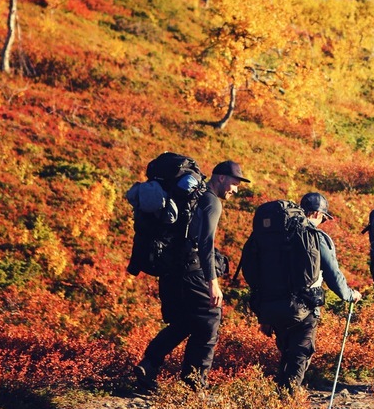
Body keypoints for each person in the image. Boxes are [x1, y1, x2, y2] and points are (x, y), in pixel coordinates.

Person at [135, 159, 249, 392]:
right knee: (209, 321)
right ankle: (194, 385)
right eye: (234, 184)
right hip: (192, 271)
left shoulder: (186, 196)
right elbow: (205, 244)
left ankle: (149, 365)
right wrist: (213, 283)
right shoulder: (210, 201)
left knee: (183, 322)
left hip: (169, 271)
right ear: (220, 178)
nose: (235, 190)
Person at [261, 192, 362, 393]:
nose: (322, 222)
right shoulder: (314, 236)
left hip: (274, 305)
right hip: (304, 308)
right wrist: (350, 295)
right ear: (316, 213)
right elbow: (332, 273)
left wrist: (263, 314)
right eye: (323, 218)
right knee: (299, 355)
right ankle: (286, 406)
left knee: (286, 353)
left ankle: (275, 402)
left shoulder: (277, 234)